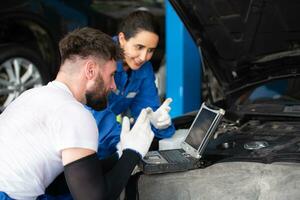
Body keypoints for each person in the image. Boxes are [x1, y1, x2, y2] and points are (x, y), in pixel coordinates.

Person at [0, 27, 154, 200]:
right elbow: (94, 198)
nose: (113, 86)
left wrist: (119, 153)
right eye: (111, 75)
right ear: (90, 70)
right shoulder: (73, 113)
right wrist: (133, 153)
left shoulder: (32, 96)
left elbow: (67, 180)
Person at [87, 10, 175, 159]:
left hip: (109, 143)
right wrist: (125, 142)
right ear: (122, 39)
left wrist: (161, 125)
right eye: (139, 47)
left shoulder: (144, 69)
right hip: (80, 141)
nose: (144, 57)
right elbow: (97, 121)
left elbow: (147, 111)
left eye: (150, 50)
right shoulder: (101, 59)